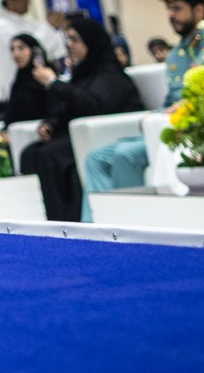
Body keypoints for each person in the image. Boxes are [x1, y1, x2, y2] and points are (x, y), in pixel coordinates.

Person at [79, 0, 204, 200]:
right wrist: (156, 113)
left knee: (125, 155)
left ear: (200, 11)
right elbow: (172, 97)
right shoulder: (175, 54)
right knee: (96, 158)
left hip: (190, 129)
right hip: (164, 127)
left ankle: (131, 223)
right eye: (168, 9)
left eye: (177, 8)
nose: (171, 15)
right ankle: (99, 228)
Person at [19, 14, 141, 221]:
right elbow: (68, 107)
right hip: (79, 134)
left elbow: (94, 105)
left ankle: (67, 219)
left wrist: (53, 83)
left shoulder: (110, 73)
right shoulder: (83, 72)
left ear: (90, 41)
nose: (70, 45)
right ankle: (41, 219)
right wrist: (51, 123)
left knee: (52, 154)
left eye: (75, 39)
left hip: (108, 133)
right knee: (31, 153)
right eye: (68, 40)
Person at [0, 0, 64, 73]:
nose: (28, 0)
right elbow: (28, 50)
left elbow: (52, 49)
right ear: (10, 1)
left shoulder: (29, 22)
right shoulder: (1, 27)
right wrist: (50, 26)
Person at [0, 35, 57, 126]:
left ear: (34, 50)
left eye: (21, 48)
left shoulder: (47, 77)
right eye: (12, 49)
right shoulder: (18, 82)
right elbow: (11, 113)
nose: (16, 54)